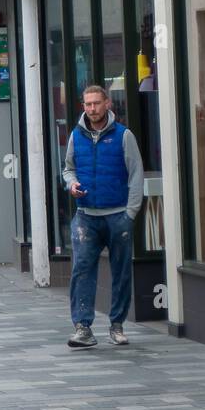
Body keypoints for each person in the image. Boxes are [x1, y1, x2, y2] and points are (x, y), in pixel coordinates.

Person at [62, 85, 144, 348]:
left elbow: (136, 174)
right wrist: (71, 184)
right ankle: (83, 328)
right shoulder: (76, 135)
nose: (92, 109)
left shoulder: (123, 135)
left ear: (107, 104)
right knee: (82, 269)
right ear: (82, 106)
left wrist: (130, 213)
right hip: (86, 215)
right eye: (87, 104)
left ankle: (117, 324)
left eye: (96, 103)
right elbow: (68, 168)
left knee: (120, 271)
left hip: (118, 215)